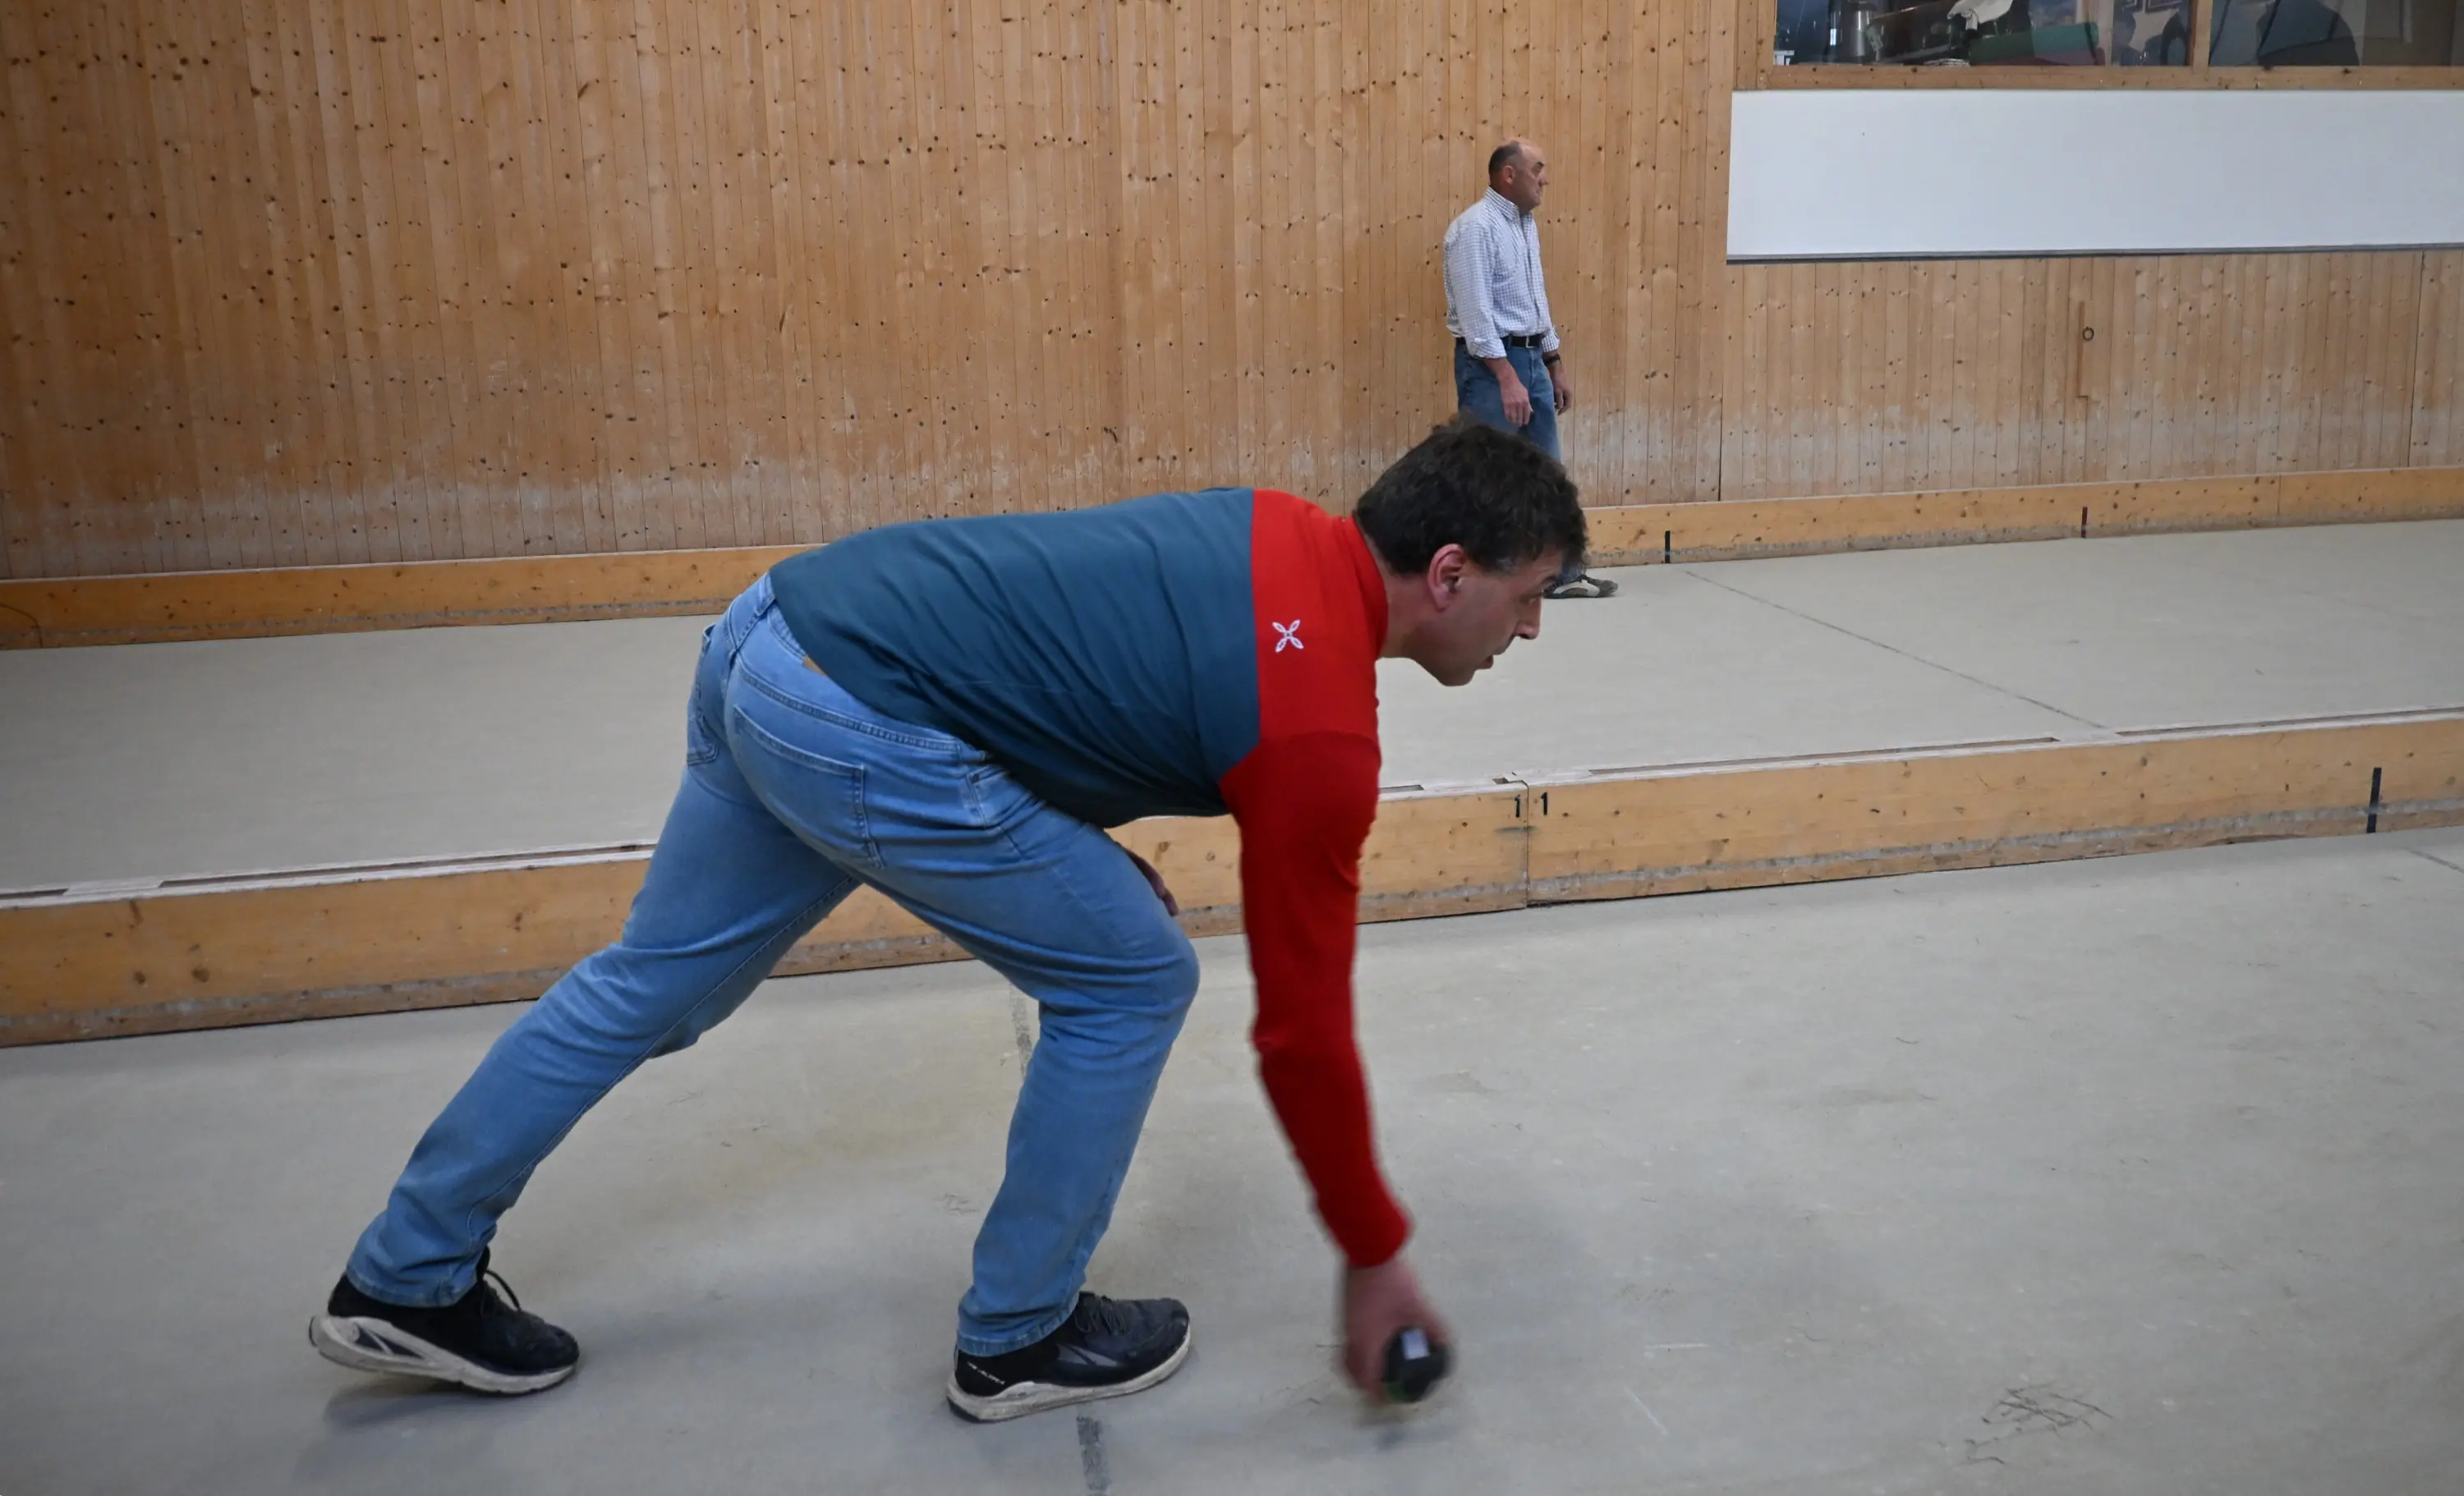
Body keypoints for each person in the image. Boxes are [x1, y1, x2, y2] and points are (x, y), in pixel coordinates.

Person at [309, 420, 1589, 1421]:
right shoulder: (1322, 737)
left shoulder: (1271, 528)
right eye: (1529, 594)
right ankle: (1020, 1334)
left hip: (778, 632)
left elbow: (1052, 663)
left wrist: (1073, 849)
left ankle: (404, 1277)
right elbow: (1303, 1034)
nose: (1531, 626)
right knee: (1132, 978)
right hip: (859, 714)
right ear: (1448, 571)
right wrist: (1374, 1251)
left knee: (653, 978)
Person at [1443, 138, 1617, 599]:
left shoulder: (1525, 225)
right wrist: (1506, 377)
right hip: (1490, 368)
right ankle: (1472, 582)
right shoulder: (1474, 230)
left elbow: (1534, 303)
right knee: (1484, 476)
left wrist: (1553, 362)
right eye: (1537, 168)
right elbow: (1477, 318)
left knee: (1548, 475)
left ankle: (1562, 576)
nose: (1545, 178)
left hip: (1532, 361)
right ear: (1508, 175)